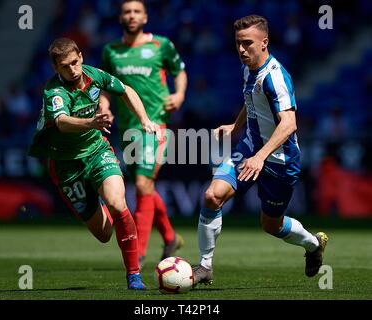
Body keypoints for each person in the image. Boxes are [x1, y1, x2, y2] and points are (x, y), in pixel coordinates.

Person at [193, 15, 329, 285]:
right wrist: (236, 125)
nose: (242, 49)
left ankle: (313, 245)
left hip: (280, 161)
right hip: (249, 149)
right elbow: (252, 101)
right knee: (212, 196)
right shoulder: (248, 68)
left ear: (264, 42)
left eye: (247, 43)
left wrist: (261, 157)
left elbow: (289, 124)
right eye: (238, 44)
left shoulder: (275, 77)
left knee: (271, 225)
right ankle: (205, 265)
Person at [28, 37, 161, 290]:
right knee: (103, 234)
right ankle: (100, 202)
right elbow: (62, 122)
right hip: (66, 165)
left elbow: (127, 90)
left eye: (75, 62)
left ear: (82, 57)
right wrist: (91, 122)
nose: (73, 70)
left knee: (117, 203)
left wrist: (144, 119)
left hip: (97, 150)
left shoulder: (94, 75)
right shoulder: (53, 91)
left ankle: (133, 276)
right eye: (65, 66)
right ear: (56, 68)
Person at [100, 0, 187, 269]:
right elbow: (104, 85)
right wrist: (104, 106)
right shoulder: (111, 51)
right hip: (127, 131)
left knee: (140, 186)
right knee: (146, 187)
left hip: (156, 125)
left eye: (137, 11)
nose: (132, 15)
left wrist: (179, 94)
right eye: (127, 11)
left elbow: (179, 71)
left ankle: (138, 252)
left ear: (146, 17)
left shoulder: (161, 45)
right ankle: (171, 238)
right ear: (120, 17)